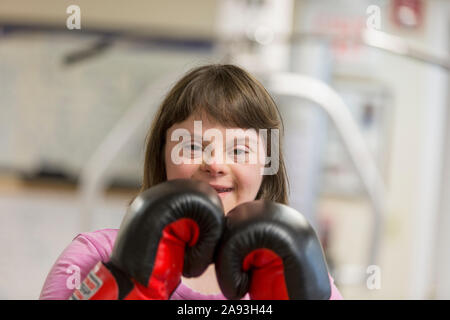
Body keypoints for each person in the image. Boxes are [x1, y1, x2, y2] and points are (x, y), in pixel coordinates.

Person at [39, 64, 343, 300]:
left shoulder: (292, 272)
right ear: (162, 154)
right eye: (193, 146)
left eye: (240, 150)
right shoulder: (97, 257)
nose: (215, 164)